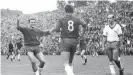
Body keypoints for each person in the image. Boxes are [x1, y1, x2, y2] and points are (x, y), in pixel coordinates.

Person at [49, 4, 87, 75]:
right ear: (73, 10)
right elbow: (84, 24)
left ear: (65, 10)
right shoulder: (76, 19)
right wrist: (82, 34)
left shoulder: (62, 19)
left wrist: (59, 30)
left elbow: (57, 29)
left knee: (65, 63)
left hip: (65, 41)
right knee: (70, 62)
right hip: (74, 41)